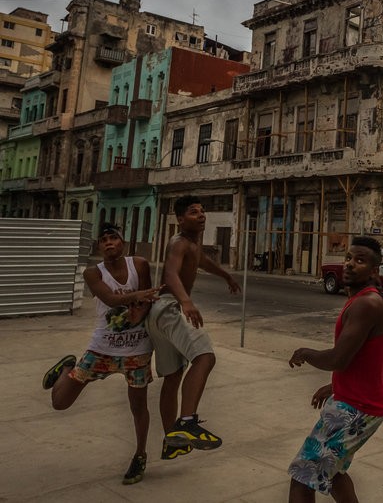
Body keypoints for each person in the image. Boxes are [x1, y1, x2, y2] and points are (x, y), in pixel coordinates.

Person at [41, 223, 160, 485]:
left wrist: (141, 308)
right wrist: (137, 297)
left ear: (123, 243)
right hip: (102, 348)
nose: (109, 243)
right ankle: (66, 368)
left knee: (138, 406)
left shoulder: (139, 264)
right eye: (104, 240)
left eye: (113, 238)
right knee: (59, 402)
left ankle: (140, 455)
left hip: (137, 349)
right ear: (99, 247)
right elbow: (110, 299)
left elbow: (149, 301)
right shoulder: (93, 273)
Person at [287, 236, 383, 503]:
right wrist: (336, 386)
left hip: (356, 409)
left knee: (302, 478)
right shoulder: (361, 301)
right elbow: (366, 360)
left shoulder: (367, 304)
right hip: (352, 401)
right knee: (333, 474)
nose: (350, 264)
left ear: (374, 271)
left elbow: (338, 360)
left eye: (360, 260)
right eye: (348, 257)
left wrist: (306, 353)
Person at [147, 195, 241, 460]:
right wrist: (185, 301)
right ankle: (187, 422)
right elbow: (170, 274)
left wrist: (226, 275)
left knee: (174, 376)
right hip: (169, 308)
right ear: (179, 219)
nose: (200, 215)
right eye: (193, 212)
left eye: (202, 211)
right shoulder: (178, 242)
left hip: (159, 313)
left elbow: (202, 262)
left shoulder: (193, 244)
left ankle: (171, 440)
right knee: (205, 357)